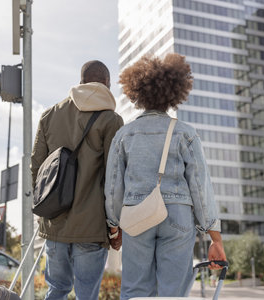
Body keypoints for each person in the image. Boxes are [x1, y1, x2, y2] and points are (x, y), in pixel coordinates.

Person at [105, 53, 227, 299]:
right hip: (178, 217)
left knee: (136, 290)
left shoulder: (124, 135)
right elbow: (201, 189)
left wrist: (113, 226)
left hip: (136, 215)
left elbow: (113, 187)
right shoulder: (186, 133)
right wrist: (215, 238)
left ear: (138, 94)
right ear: (173, 94)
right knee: (174, 292)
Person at [31, 60, 124, 300]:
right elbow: (114, 177)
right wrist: (115, 227)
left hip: (54, 225)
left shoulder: (49, 115)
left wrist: (46, 208)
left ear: (81, 81)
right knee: (86, 295)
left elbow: (37, 167)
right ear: (107, 83)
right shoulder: (111, 120)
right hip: (91, 228)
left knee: (56, 290)